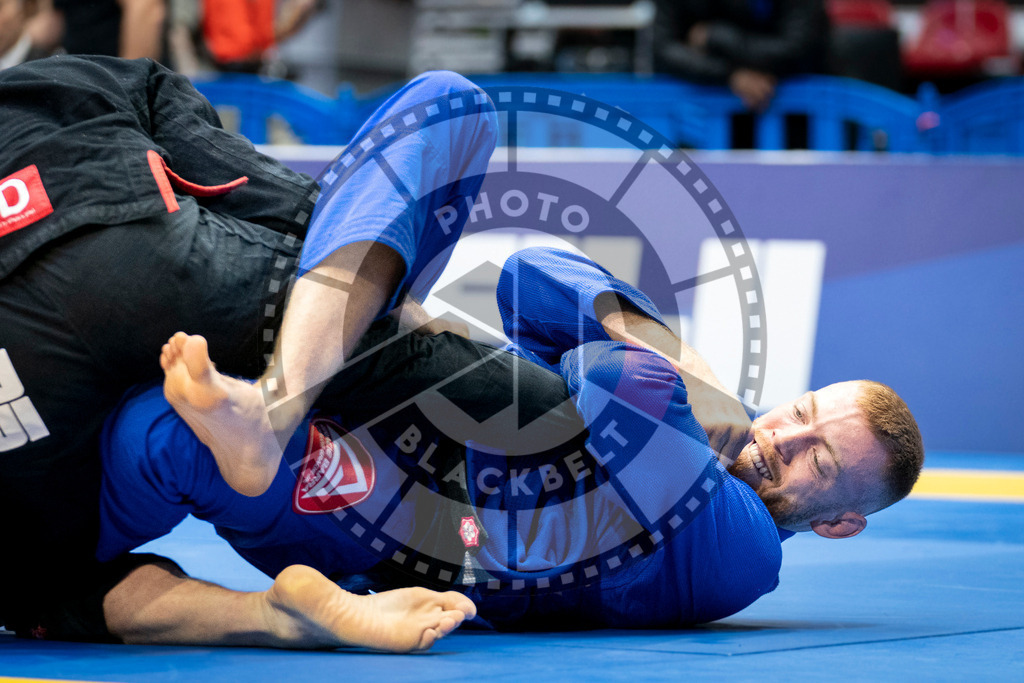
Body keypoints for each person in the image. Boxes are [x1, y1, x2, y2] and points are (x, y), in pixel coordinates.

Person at [96, 246, 924, 637]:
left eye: (821, 457)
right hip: (402, 427)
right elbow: (528, 274)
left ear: (840, 522)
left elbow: (615, 387)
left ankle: (49, 560)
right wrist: (677, 355)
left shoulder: (745, 552)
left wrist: (671, 362)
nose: (787, 436)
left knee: (165, 437)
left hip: (386, 514)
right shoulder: (708, 422)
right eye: (804, 411)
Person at [0, 54, 495, 644]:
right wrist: (397, 309)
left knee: (161, 440)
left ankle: (269, 613)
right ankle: (279, 410)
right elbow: (288, 212)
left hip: (58, 523)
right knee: (446, 102)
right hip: (421, 499)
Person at [653, 0, 829, 111]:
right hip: (697, 111)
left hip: (798, 111)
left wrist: (718, 37)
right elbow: (663, 48)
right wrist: (731, 75)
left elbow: (798, 46)